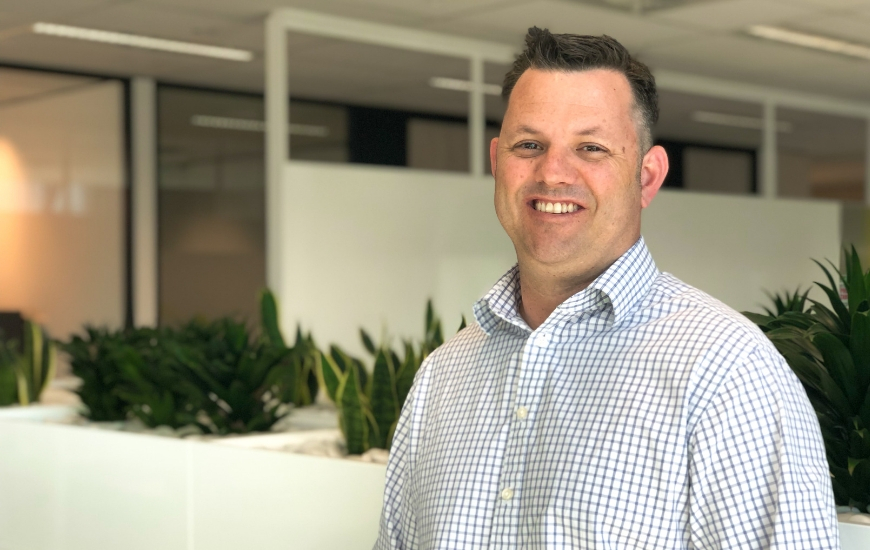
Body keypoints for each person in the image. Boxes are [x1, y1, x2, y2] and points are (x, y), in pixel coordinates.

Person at [374, 28, 839, 549]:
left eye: (591, 148)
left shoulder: (727, 373)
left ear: (647, 177)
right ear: (497, 161)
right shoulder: (441, 378)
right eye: (529, 145)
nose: (552, 173)